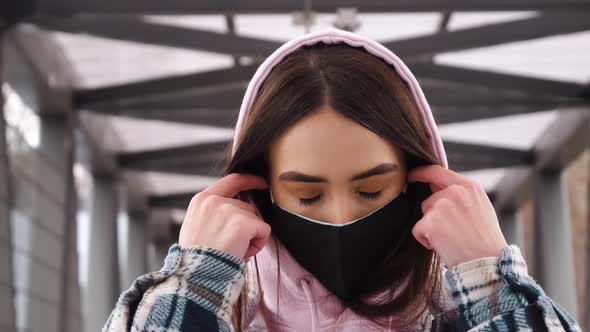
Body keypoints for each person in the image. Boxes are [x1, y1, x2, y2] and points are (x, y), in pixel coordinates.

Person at [103, 28, 581, 331]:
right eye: (307, 195)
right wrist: (193, 283)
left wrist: (489, 281)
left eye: (371, 190)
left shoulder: (461, 319)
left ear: (417, 183)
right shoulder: (219, 319)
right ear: (257, 193)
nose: (340, 217)